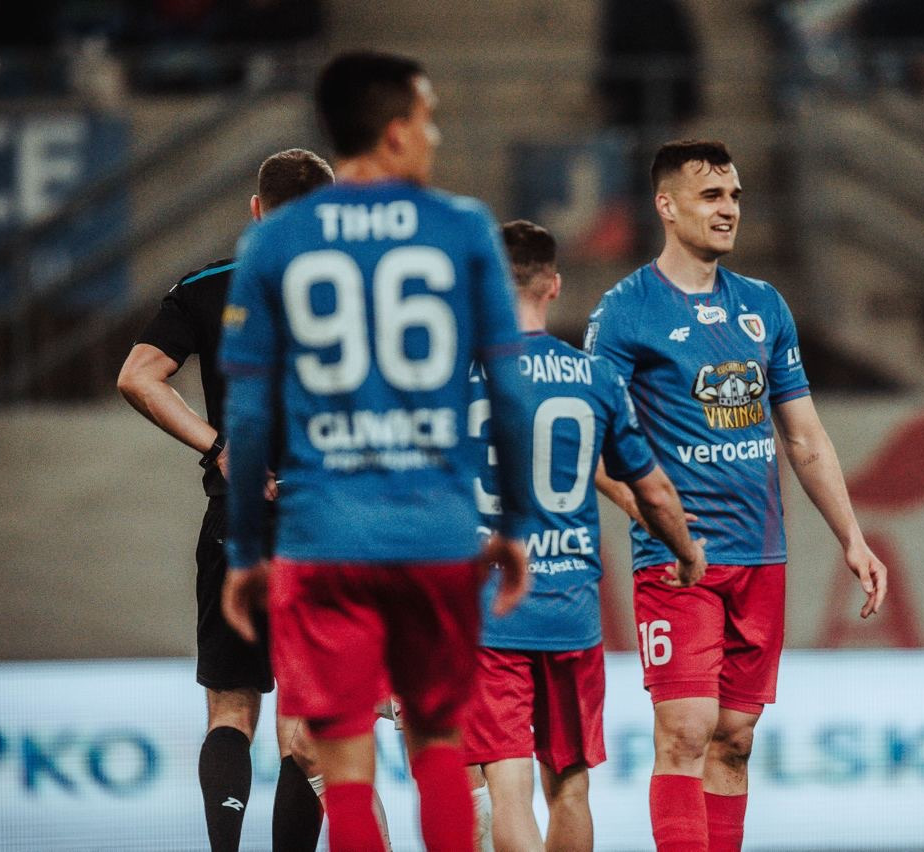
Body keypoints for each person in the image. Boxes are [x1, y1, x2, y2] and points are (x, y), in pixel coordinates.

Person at [218, 51, 533, 852]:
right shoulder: (461, 227)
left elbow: (248, 417)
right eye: (427, 120)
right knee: (439, 752)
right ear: (395, 133)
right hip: (432, 534)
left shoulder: (273, 243)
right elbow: (508, 392)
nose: (434, 136)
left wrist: (248, 551)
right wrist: (516, 523)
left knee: (345, 769)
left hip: (322, 538)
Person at [585, 139, 888, 852]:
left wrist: (852, 537)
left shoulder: (763, 306)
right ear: (666, 205)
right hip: (678, 558)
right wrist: (642, 508)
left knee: (735, 739)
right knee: (685, 731)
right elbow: (585, 437)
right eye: (711, 196)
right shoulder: (625, 311)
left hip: (760, 554)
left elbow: (804, 438)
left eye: (735, 197)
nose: (728, 210)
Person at [117, 148, 335, 852]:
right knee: (306, 728)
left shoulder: (209, 287)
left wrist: (219, 449)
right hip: (325, 528)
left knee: (230, 711)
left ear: (256, 210)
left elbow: (138, 377)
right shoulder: (361, 297)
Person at [465, 220, 706, 851]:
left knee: (507, 786)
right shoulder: (594, 377)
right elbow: (653, 490)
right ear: (553, 286)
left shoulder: (456, 377)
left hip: (490, 610)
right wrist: (686, 552)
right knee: (570, 786)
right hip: (570, 611)